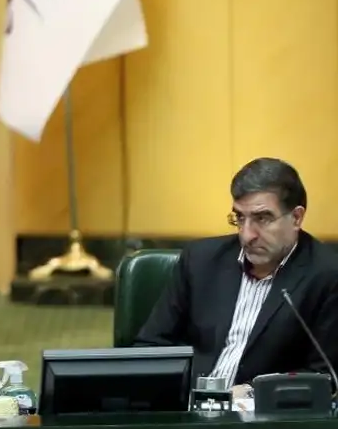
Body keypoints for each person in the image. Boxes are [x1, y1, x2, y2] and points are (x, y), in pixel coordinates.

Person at [135, 157, 338, 395]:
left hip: (263, 414)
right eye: (240, 218)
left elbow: (324, 376)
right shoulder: (200, 260)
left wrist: (253, 394)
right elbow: (151, 346)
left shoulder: (327, 276)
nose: (246, 235)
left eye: (262, 218)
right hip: (186, 404)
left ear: (296, 218)